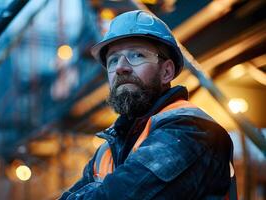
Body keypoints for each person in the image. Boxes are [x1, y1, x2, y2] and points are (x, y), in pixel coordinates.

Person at [60, 10, 237, 200]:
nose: (120, 67)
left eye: (136, 55)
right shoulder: (108, 150)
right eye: (113, 60)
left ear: (166, 72)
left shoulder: (192, 130)